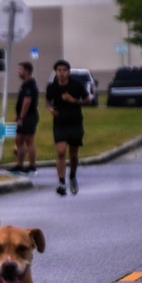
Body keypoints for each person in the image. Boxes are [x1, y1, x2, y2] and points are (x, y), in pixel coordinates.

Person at [45, 59, 89, 196]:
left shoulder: (77, 85)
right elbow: (48, 101)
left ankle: (73, 176)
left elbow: (88, 100)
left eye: (64, 70)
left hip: (75, 122)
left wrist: (73, 100)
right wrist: (50, 108)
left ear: (68, 72)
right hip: (60, 122)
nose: (62, 73)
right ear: (55, 72)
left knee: (73, 154)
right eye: (59, 70)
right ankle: (61, 182)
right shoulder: (52, 87)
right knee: (61, 151)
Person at [9, 61, 39, 174]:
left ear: (27, 71)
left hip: (29, 116)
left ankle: (32, 165)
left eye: (20, 69)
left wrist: (21, 117)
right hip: (22, 115)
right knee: (19, 139)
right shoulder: (25, 84)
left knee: (28, 140)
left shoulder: (30, 84)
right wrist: (17, 116)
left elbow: (27, 101)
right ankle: (19, 165)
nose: (18, 71)